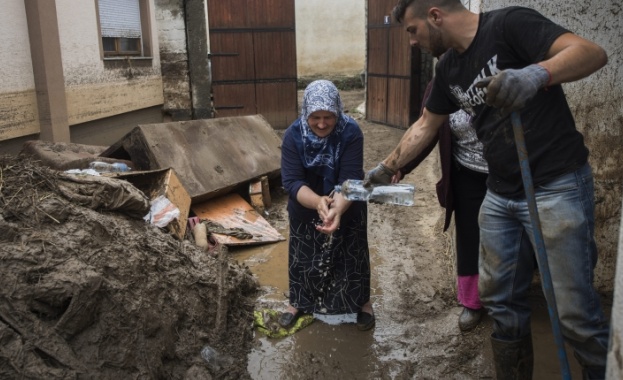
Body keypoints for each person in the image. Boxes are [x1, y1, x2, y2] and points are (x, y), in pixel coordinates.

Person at [365, 0, 610, 378]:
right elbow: (426, 125)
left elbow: (592, 53)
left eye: (412, 31)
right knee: (500, 299)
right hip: (500, 191)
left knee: (572, 312)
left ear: (435, 16)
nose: (412, 42)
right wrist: (386, 167)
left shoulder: (509, 24)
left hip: (555, 184)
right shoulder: (447, 68)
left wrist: (536, 75)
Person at [279, 79, 375, 331]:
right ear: (305, 114)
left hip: (347, 202)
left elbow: (351, 179)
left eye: (329, 117)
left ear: (338, 112)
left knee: (352, 255)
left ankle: (362, 303)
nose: (322, 124)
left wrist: (336, 209)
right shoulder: (292, 135)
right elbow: (291, 181)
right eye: (315, 117)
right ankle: (298, 303)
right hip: (304, 203)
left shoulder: (351, 132)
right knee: (303, 256)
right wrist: (318, 201)